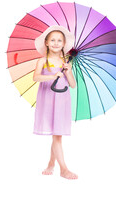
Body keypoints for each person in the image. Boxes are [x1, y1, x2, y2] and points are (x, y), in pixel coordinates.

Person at [33, 25, 78, 180]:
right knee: (56, 135)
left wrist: (69, 71)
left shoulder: (66, 63)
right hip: (48, 100)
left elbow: (72, 85)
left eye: (59, 40)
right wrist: (52, 76)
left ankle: (53, 164)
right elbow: (36, 77)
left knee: (57, 134)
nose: (56, 43)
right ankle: (63, 168)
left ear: (64, 43)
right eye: (52, 40)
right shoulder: (42, 61)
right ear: (46, 42)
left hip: (62, 101)